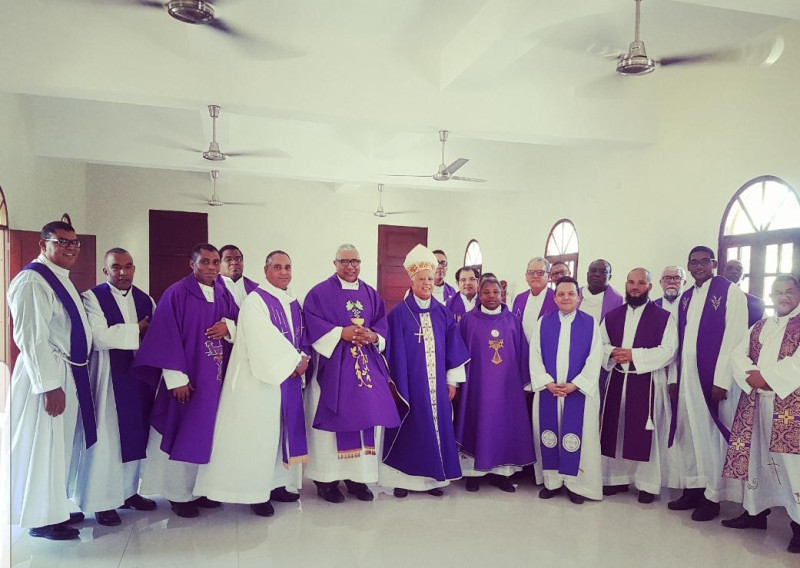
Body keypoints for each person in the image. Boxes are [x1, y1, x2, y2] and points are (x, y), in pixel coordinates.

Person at [195, 251, 309, 518]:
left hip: (285, 380)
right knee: (259, 437)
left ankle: (277, 483)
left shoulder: (292, 301)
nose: (284, 272)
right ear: (266, 270)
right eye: (277, 267)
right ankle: (255, 493)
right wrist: (293, 363)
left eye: (288, 267)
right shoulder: (256, 300)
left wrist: (303, 357)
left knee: (279, 434)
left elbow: (302, 335)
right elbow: (263, 339)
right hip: (259, 382)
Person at [134, 244, 239, 518]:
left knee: (208, 435)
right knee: (183, 433)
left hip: (214, 379)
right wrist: (176, 379)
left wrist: (230, 328)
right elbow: (164, 336)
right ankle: (178, 494)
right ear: (191, 264)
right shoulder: (176, 294)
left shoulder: (222, 292)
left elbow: (241, 321)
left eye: (215, 262)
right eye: (204, 262)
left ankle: (200, 489)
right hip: (187, 379)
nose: (212, 267)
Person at [9, 221, 95, 540]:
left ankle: (55, 506)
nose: (71, 247)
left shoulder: (60, 277)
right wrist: (48, 385)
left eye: (75, 242)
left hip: (66, 370)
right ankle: (39, 517)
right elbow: (31, 337)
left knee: (59, 446)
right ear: (43, 244)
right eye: (62, 242)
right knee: (43, 444)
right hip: (46, 376)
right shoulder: (33, 280)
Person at [303, 244, 400, 503]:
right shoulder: (319, 293)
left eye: (355, 261)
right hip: (331, 369)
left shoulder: (370, 294)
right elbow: (311, 324)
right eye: (344, 261)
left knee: (367, 419)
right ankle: (327, 480)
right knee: (332, 422)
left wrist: (374, 336)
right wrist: (339, 333)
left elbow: (382, 325)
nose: (350, 266)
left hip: (364, 370)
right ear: (335, 263)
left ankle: (358, 480)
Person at [71, 249, 157, 527]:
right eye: (116, 268)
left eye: (128, 267)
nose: (123, 273)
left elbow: (155, 334)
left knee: (134, 436)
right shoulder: (92, 297)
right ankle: (102, 501)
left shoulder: (146, 299)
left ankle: (129, 492)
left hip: (138, 379)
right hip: (108, 378)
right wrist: (137, 329)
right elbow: (98, 337)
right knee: (107, 439)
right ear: (105, 271)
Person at [667, 245, 748, 522]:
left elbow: (735, 338)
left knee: (710, 437)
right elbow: (676, 341)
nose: (699, 266)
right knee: (687, 434)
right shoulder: (685, 298)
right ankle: (692, 488)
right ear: (688, 267)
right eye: (694, 262)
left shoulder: (729, 292)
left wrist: (722, 379)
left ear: (714, 264)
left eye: (704, 261)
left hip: (711, 379)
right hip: (687, 377)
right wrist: (674, 378)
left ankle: (712, 497)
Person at [381, 245, 470, 497]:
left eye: (430, 279)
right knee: (409, 425)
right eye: (422, 279)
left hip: (437, 386)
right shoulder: (398, 314)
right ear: (411, 281)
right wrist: (392, 383)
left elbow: (454, 349)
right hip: (409, 384)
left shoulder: (443, 313)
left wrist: (452, 381)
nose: (427, 283)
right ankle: (403, 480)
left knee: (436, 428)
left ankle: (433, 480)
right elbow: (390, 351)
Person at [721, 274, 800, 554]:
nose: (783, 297)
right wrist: (750, 377)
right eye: (777, 292)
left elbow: (797, 364)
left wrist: (766, 378)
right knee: (757, 458)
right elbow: (737, 354)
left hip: (789, 405)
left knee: (792, 465)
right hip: (757, 403)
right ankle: (754, 513)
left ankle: (798, 526)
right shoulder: (761, 325)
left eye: (789, 291)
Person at [599, 268, 677, 503]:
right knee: (617, 428)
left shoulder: (663, 317)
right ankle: (616, 478)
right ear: (625, 284)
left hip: (648, 382)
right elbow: (599, 344)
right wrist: (613, 352)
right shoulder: (612, 316)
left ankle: (647, 484)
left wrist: (634, 355)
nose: (635, 287)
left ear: (650, 287)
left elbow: (669, 350)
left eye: (641, 283)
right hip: (618, 380)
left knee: (645, 434)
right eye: (631, 282)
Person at [529, 276, 603, 504]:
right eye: (561, 294)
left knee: (577, 436)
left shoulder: (590, 323)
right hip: (549, 392)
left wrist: (576, 384)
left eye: (571, 293)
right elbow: (535, 354)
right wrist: (546, 382)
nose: (566, 298)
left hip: (578, 392)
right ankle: (552, 482)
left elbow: (595, 357)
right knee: (549, 435)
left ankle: (575, 484)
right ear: (554, 298)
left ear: (579, 297)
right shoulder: (544, 322)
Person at [456, 277, 534, 492]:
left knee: (503, 427)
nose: (491, 296)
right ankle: (473, 474)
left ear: (502, 294)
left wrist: (524, 384)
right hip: (477, 386)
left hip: (506, 387)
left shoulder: (511, 320)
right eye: (486, 292)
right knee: (477, 423)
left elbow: (522, 352)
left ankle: (502, 475)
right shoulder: (469, 320)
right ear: (479, 295)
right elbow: (460, 351)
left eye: (495, 292)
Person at [512, 257, 558, 342]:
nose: (535, 276)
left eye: (540, 272)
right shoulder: (519, 299)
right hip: (521, 352)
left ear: (548, 276)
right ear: (526, 277)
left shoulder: (556, 299)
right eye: (531, 272)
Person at [723, 259, 766, 327]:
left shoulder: (755, 303)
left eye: (738, 269)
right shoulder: (713, 298)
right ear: (723, 273)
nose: (734, 271)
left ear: (743, 276)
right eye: (729, 268)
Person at [579, 259, 623, 324]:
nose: (597, 274)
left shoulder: (618, 301)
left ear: (609, 277)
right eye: (593, 271)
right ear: (587, 274)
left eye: (603, 272)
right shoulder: (575, 294)